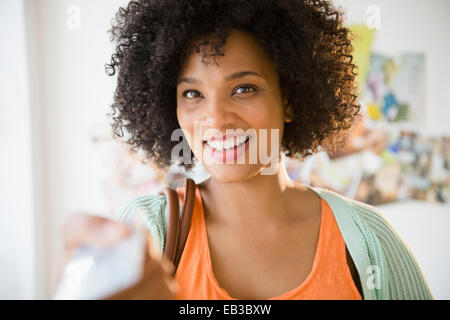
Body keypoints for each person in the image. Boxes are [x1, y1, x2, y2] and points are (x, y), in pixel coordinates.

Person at [57, 0, 433, 300]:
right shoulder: (151, 231)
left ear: (288, 99)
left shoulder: (367, 241)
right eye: (193, 94)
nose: (216, 120)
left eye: (243, 89)